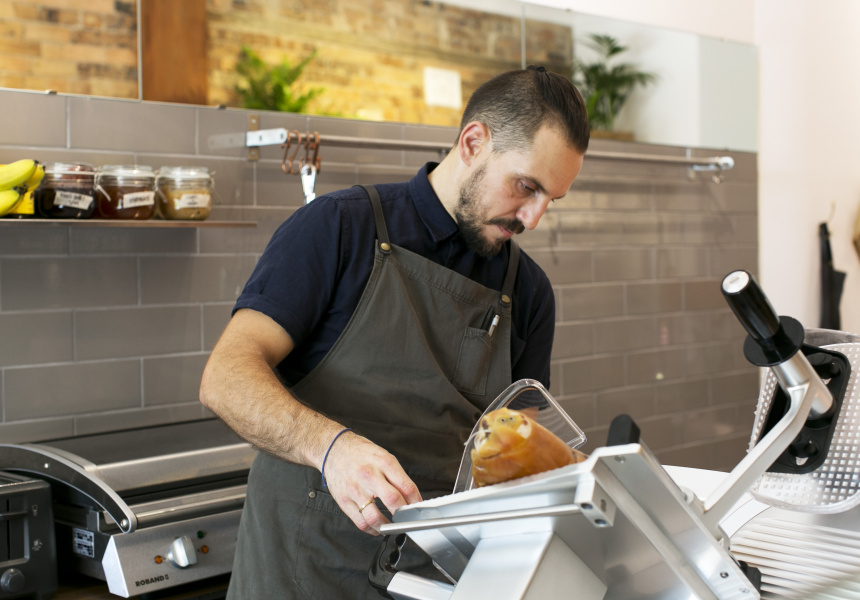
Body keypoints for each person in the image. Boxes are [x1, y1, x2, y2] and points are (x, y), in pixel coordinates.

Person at [199, 64, 590, 599]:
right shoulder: (339, 228)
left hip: (436, 581)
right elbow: (225, 377)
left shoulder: (530, 293)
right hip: (303, 571)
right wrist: (331, 449)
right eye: (526, 186)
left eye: (551, 199)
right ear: (473, 142)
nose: (534, 217)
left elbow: (510, 457)